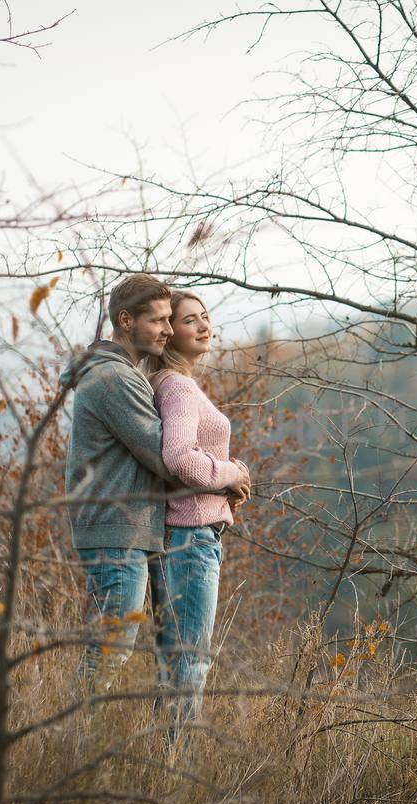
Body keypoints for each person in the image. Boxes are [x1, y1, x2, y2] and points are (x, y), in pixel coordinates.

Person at [59, 274, 248, 716]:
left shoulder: (127, 375)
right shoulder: (116, 379)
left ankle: (76, 736)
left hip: (131, 527)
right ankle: (70, 736)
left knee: (128, 648)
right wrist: (228, 474)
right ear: (126, 321)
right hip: (118, 528)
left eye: (170, 320)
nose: (166, 330)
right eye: (162, 320)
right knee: (115, 646)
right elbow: (171, 459)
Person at [146, 290, 252, 742]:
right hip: (189, 539)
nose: (204, 325)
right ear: (170, 333)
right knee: (191, 661)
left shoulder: (174, 383)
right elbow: (180, 459)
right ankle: (177, 766)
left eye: (206, 316)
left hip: (184, 536)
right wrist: (232, 473)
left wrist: (226, 492)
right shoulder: (179, 386)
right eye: (191, 320)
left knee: (176, 662)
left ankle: (158, 765)